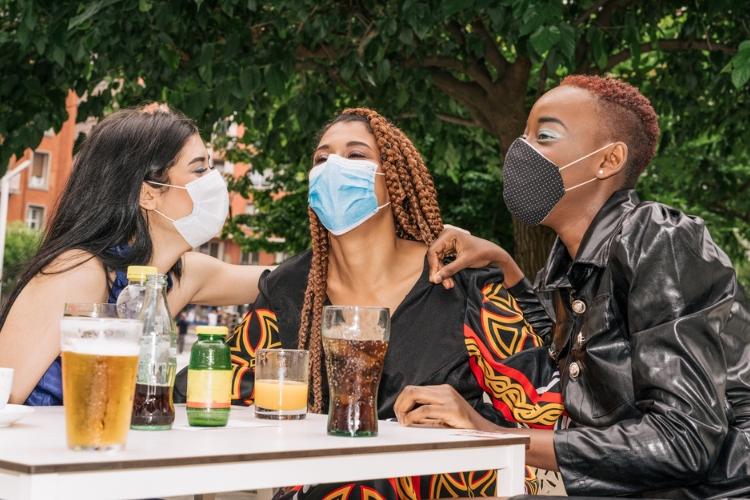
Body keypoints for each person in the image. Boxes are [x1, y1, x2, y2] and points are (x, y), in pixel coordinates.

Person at [394, 75, 750, 498]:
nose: (520, 151)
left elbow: (683, 440)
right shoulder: (574, 261)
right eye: (523, 136)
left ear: (608, 160)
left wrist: (491, 433)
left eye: (544, 136)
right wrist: (503, 263)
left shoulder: (659, 238)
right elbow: (577, 353)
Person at [222, 108, 564, 498]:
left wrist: (472, 421)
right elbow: (215, 386)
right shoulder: (289, 289)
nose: (334, 167)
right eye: (322, 159)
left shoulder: (459, 281)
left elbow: (545, 408)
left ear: (395, 184)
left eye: (355, 156)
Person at [0, 104, 270, 406]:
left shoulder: (177, 276)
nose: (214, 181)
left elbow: (292, 279)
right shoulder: (79, 272)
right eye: (199, 169)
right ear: (148, 194)